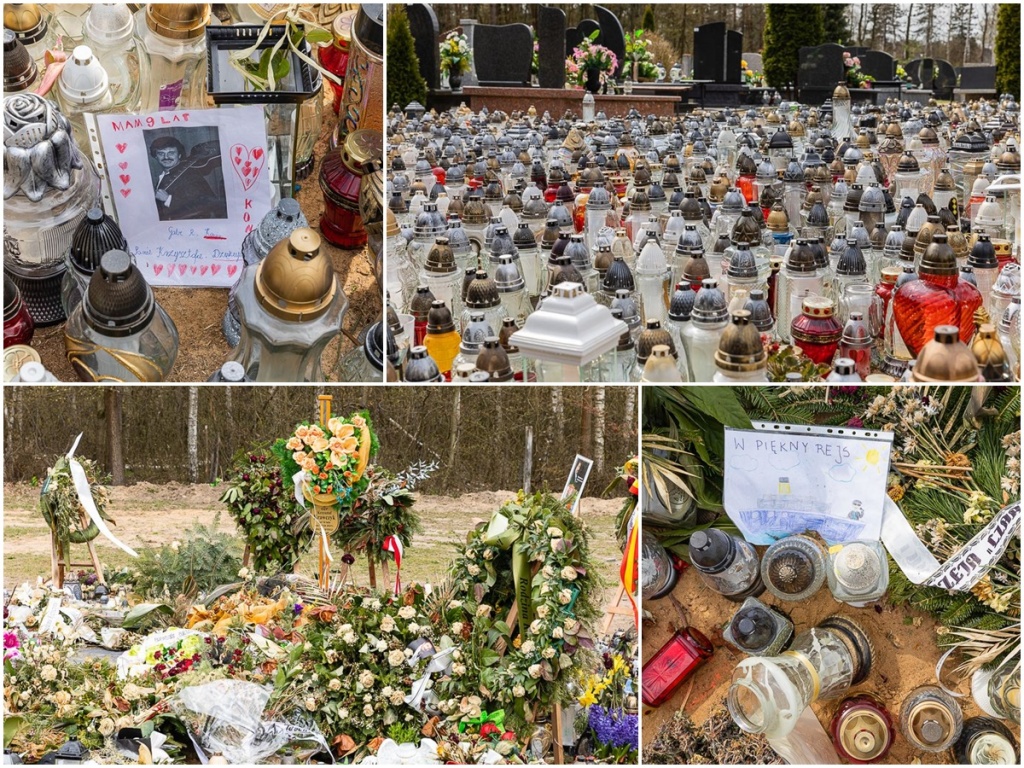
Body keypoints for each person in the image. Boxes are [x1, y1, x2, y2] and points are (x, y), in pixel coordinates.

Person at [149, 136, 225, 220]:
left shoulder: (191, 175)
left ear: (179, 155)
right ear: (156, 156)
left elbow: (206, 206)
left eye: (171, 153)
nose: (166, 157)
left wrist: (168, 199)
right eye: (161, 153)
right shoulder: (164, 176)